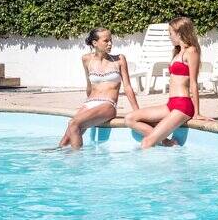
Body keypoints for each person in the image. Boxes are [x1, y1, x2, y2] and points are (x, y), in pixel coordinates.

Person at [125, 16, 209, 148]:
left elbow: (193, 82)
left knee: (146, 142)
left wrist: (197, 112)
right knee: (130, 118)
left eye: (170, 33)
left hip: (183, 106)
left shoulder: (191, 51)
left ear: (179, 33)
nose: (169, 37)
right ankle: (167, 142)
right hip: (171, 104)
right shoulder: (177, 53)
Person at [58, 27, 139, 149]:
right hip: (90, 103)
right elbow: (89, 85)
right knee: (64, 141)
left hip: (108, 104)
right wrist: (86, 108)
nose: (110, 43)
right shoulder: (86, 59)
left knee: (73, 123)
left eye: (111, 40)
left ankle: (76, 163)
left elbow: (127, 87)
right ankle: (60, 158)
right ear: (95, 43)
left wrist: (137, 112)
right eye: (106, 41)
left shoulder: (119, 59)